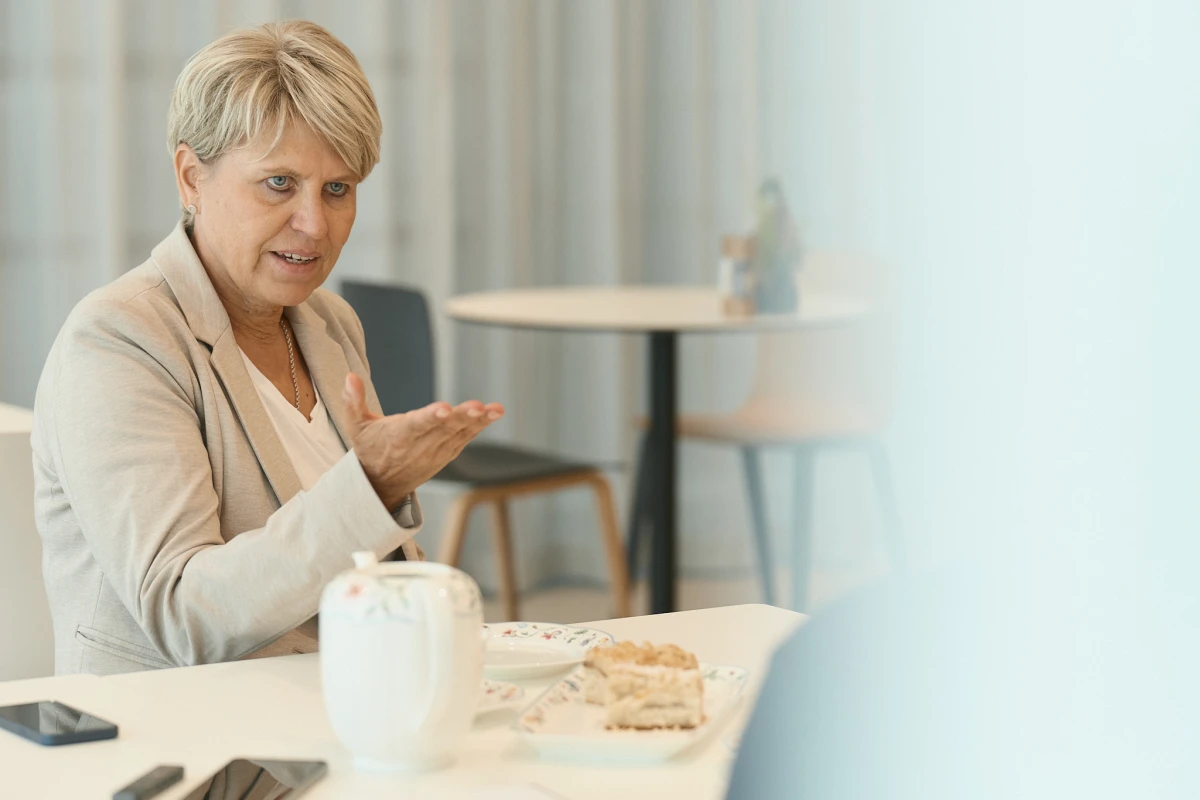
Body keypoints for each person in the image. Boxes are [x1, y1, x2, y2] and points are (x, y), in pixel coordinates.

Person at [30, 20, 503, 676]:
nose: (315, 225)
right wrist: (372, 486)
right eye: (279, 182)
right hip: (183, 732)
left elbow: (361, 571)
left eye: (337, 189)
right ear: (191, 178)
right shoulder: (119, 338)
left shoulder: (331, 323)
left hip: (342, 705)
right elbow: (185, 613)